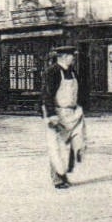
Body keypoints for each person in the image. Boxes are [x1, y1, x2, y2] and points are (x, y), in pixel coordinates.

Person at [41, 46, 86, 189]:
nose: (73, 58)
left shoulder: (72, 72)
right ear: (63, 56)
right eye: (71, 55)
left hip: (72, 113)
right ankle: (58, 178)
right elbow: (46, 95)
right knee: (57, 147)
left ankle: (64, 174)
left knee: (73, 145)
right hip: (57, 112)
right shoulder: (52, 72)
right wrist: (51, 115)